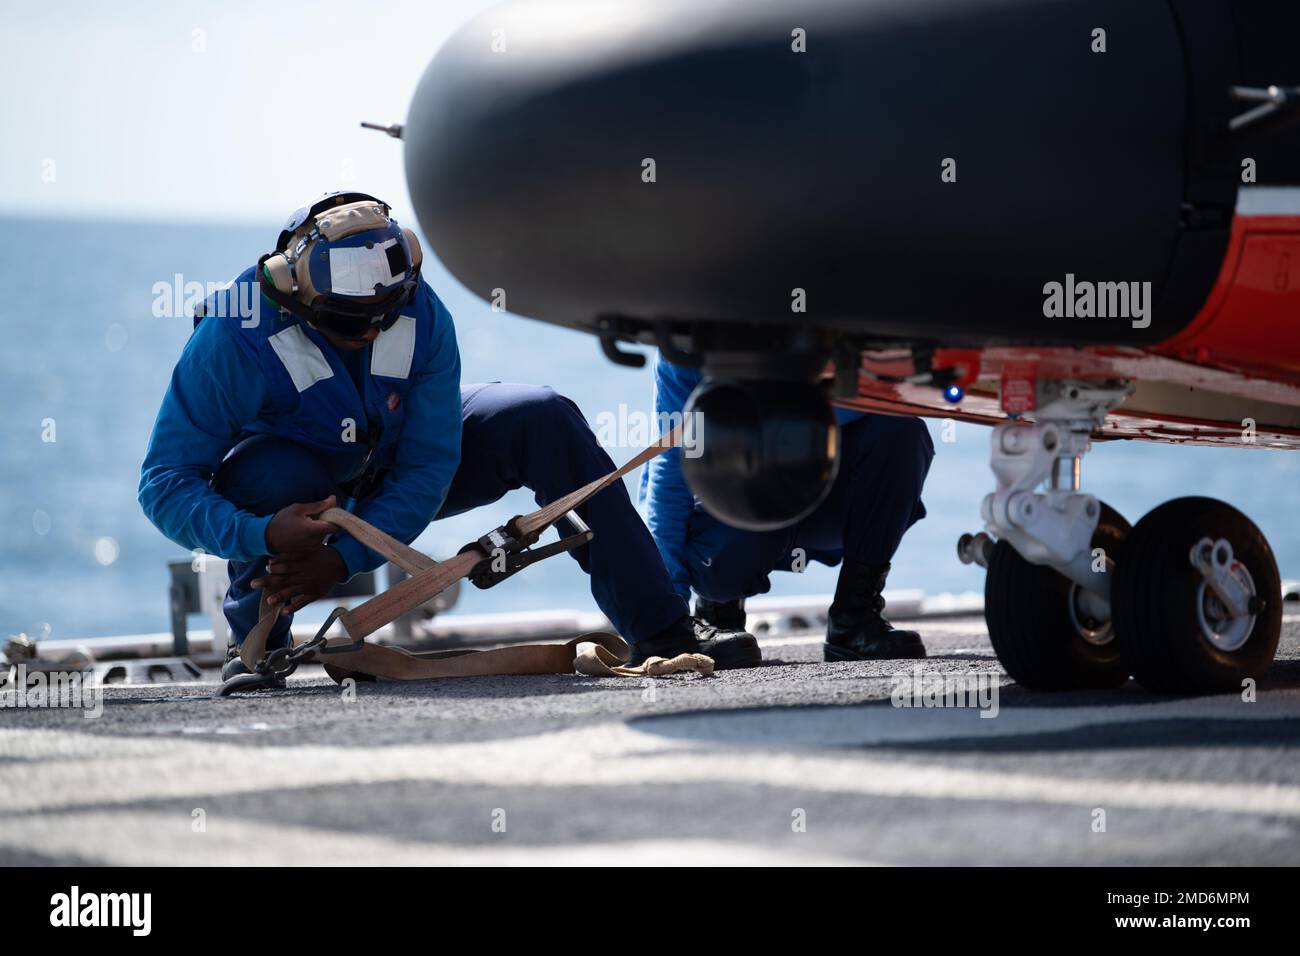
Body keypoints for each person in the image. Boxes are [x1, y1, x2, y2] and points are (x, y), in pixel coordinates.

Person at [138, 192, 760, 680]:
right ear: (297, 295)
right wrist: (262, 534)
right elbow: (164, 483)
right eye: (349, 325)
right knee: (274, 477)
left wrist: (345, 561)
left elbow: (429, 466)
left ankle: (662, 629)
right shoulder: (234, 334)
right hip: (301, 493)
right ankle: (256, 646)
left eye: (386, 317)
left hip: (392, 461)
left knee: (544, 417)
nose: (372, 333)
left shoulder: (419, 307)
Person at [642, 354, 935, 660]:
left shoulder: (839, 321)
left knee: (901, 430)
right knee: (724, 563)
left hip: (823, 496)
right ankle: (719, 607)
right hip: (738, 515)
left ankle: (855, 618)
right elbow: (670, 473)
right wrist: (670, 614)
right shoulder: (686, 340)